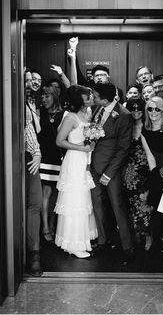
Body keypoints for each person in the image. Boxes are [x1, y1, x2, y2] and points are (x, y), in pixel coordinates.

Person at [90, 83, 135, 262]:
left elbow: (124, 149)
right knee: (97, 205)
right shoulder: (96, 109)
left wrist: (109, 173)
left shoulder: (124, 116)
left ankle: (127, 246)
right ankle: (102, 241)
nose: (92, 97)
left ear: (105, 98)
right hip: (94, 167)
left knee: (118, 207)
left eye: (94, 95)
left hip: (112, 171)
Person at [54, 85, 98, 258]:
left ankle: (81, 240)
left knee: (83, 198)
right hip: (73, 160)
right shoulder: (70, 118)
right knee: (75, 200)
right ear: (79, 100)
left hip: (84, 161)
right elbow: (59, 141)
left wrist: (90, 146)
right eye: (88, 96)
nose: (91, 97)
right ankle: (72, 244)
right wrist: (82, 148)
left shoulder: (87, 114)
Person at [123, 98, 157, 250]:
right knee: (131, 204)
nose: (136, 111)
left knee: (145, 203)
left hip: (145, 169)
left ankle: (149, 235)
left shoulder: (148, 126)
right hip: (129, 172)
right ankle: (136, 233)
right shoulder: (126, 126)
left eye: (139, 108)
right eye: (132, 108)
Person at [143, 96, 163, 252]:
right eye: (150, 109)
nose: (153, 112)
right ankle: (157, 240)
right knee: (156, 206)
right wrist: (157, 174)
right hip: (156, 171)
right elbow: (149, 156)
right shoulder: (144, 131)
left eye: (157, 109)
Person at [37, 85, 65, 242]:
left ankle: (53, 224)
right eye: (42, 96)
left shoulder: (63, 114)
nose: (43, 99)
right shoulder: (40, 113)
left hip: (59, 158)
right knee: (46, 193)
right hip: (45, 158)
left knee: (56, 194)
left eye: (47, 96)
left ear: (54, 96)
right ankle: (45, 228)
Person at [24, 69, 43, 276]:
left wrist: (36, 153)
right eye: (27, 80)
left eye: (31, 80)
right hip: (12, 158)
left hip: (30, 157)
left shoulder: (27, 103)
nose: (30, 83)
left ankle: (34, 254)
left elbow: (28, 129)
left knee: (35, 204)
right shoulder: (16, 99)